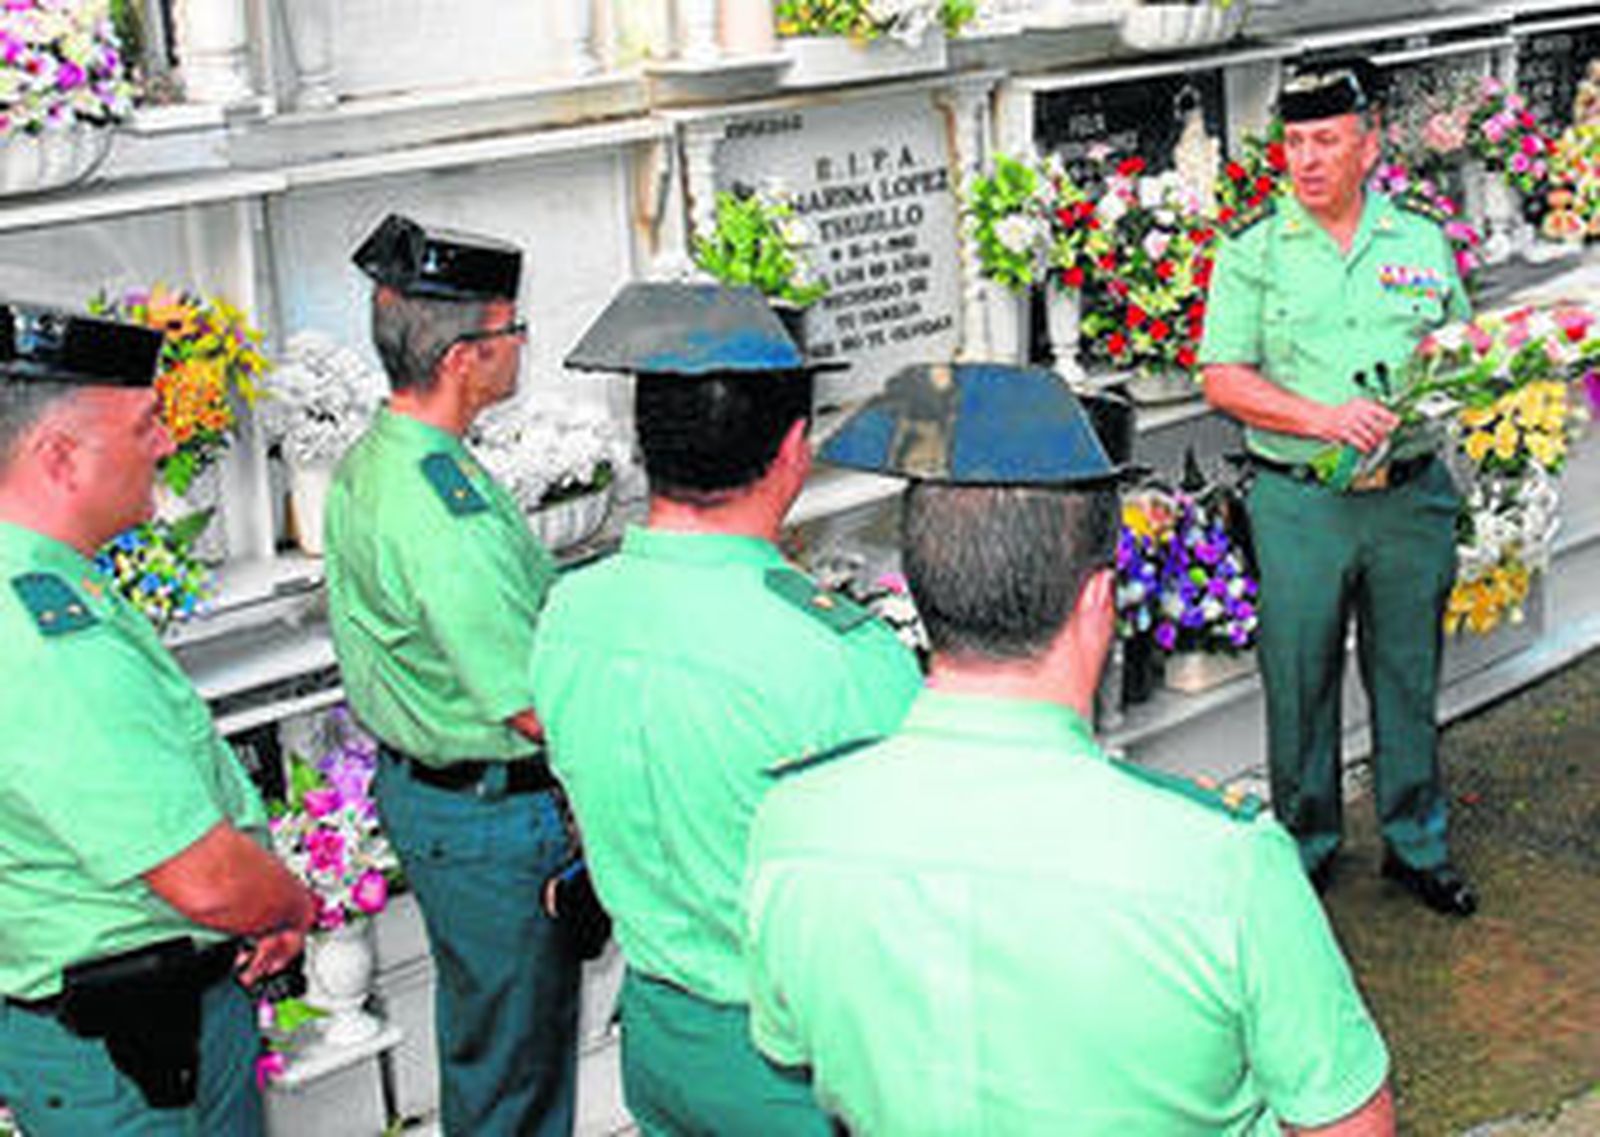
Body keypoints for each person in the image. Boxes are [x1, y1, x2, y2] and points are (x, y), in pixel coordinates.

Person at [743, 361, 1397, 1136]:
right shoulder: (1224, 862)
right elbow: (1346, 1123)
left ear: (919, 590)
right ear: (1098, 600)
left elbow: (791, 1049)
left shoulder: (792, 823)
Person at [537, 282, 922, 1135]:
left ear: (644, 449)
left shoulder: (570, 612)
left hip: (658, 1035)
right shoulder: (841, 656)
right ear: (792, 450)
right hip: (796, 1065)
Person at [0, 303, 317, 1134]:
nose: (169, 442)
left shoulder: (55, 584)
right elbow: (202, 878)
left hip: (148, 1024)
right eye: (145, 424)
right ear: (60, 456)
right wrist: (289, 905)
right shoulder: (41, 632)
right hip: (131, 1053)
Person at [1199, 59, 1477, 915]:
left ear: (1370, 144)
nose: (1308, 160)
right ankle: (1306, 846)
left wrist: (1464, 378)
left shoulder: (1420, 237)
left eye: (1326, 140)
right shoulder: (1253, 247)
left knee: (1408, 675)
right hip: (1301, 504)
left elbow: (1460, 345)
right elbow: (1222, 377)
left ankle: (1416, 843)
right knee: (1299, 681)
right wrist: (1323, 418)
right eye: (1295, 143)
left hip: (1409, 499)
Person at [324, 214, 579, 1135]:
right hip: (489, 816)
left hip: (442, 800)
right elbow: (531, 704)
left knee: (495, 1041)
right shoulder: (441, 507)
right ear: (466, 357)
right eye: (514, 331)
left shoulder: (390, 456)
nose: (521, 348)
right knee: (517, 1065)